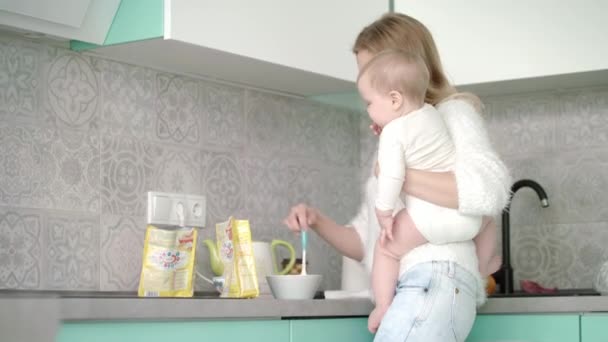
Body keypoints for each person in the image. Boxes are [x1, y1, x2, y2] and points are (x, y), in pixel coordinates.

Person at [284, 12, 511, 342]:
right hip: (413, 286)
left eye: (369, 69)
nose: (365, 83)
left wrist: (402, 177)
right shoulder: (398, 135)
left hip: (434, 278)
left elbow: (489, 190)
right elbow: (371, 241)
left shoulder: (451, 114)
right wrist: (316, 220)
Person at [357, 49, 501, 332]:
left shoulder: (393, 133)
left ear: (394, 99)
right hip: (468, 220)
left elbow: (391, 175)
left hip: (430, 225)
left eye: (369, 102)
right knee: (488, 219)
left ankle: (383, 305)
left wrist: (383, 211)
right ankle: (486, 264)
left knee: (386, 248)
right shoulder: (433, 114)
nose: (367, 110)